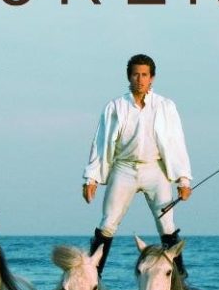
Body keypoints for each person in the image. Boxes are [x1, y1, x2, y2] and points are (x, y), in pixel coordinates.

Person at [82, 54, 192, 276]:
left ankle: (180, 278)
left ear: (152, 78)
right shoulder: (115, 106)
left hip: (155, 168)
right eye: (135, 75)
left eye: (144, 75)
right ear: (129, 77)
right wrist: (91, 178)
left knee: (167, 224)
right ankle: (93, 275)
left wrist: (183, 180)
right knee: (108, 223)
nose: (140, 79)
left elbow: (176, 142)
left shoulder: (165, 106)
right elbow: (101, 142)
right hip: (124, 168)